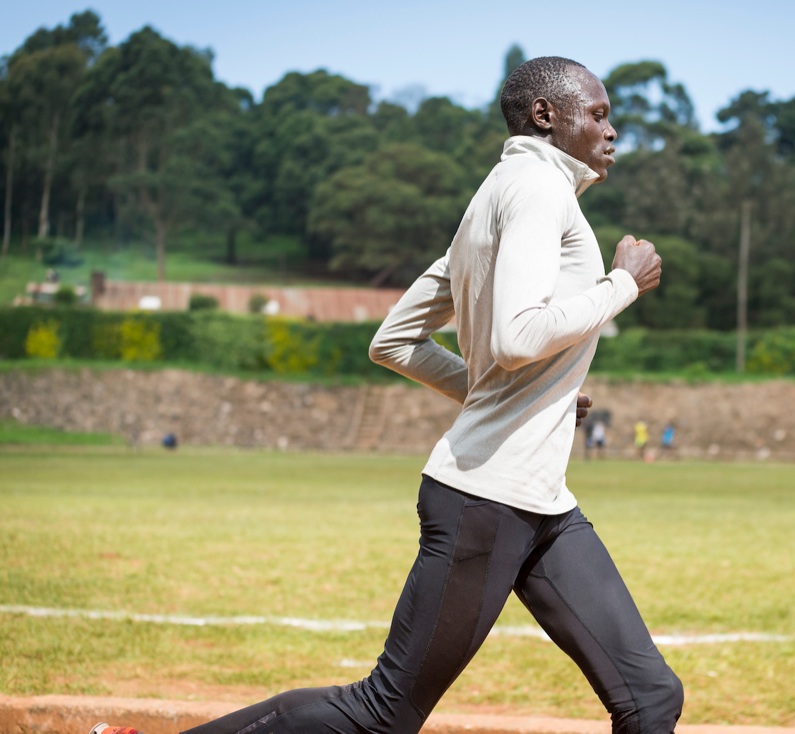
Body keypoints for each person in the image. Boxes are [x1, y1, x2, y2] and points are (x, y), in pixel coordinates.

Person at [93, 56, 682, 734]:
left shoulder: (494, 197)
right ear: (546, 116)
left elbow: (394, 340)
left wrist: (528, 396)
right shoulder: (540, 190)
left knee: (651, 696)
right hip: (486, 502)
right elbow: (518, 337)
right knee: (382, 713)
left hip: (540, 504)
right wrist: (623, 285)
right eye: (599, 115)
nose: (612, 132)